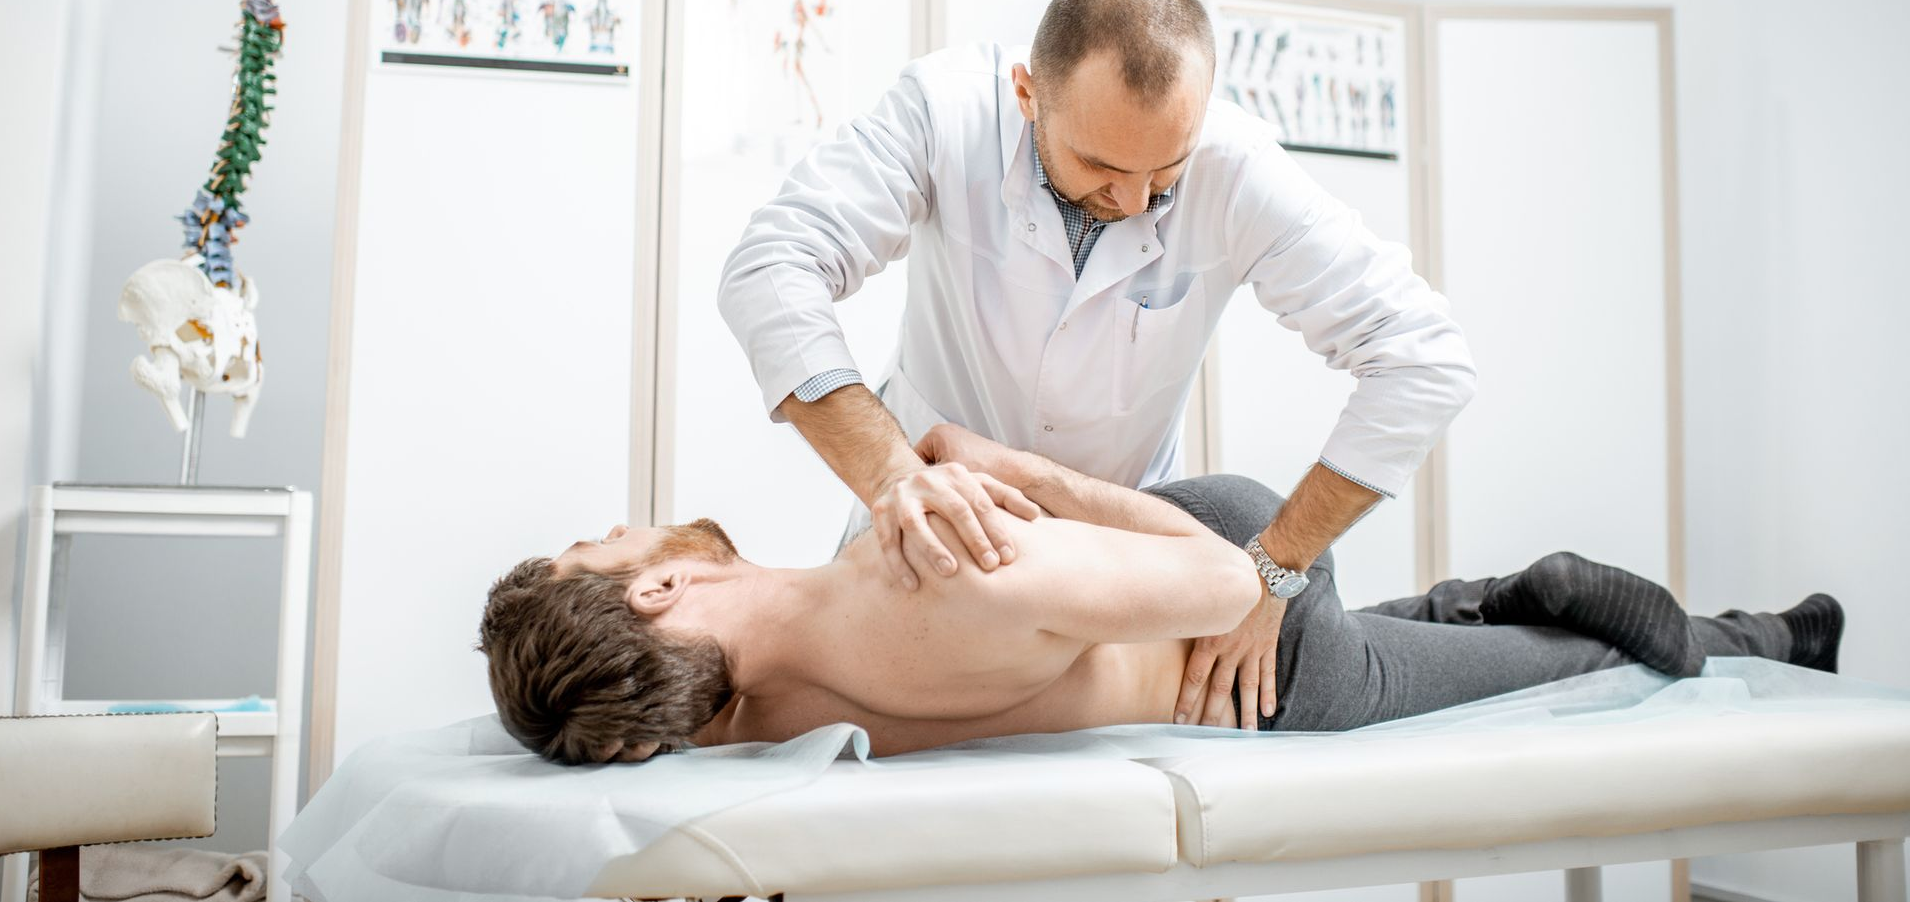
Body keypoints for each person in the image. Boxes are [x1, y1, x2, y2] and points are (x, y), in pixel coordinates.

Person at [717, 0, 1478, 729]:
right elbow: (771, 267)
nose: (1138, 202)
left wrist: (1276, 568)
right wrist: (887, 475)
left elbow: (1425, 358)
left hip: (1121, 560)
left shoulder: (1238, 168)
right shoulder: (947, 111)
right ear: (1027, 95)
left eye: (1167, 173)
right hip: (927, 527)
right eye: (1104, 169)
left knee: (1346, 672)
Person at [477, 426, 1843, 765]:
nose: (618, 522)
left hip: (1205, 600)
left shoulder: (736, 724)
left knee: (1461, 655)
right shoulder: (904, 588)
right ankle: (1538, 598)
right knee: (1569, 661)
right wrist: (1015, 467)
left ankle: (1735, 628)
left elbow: (1217, 578)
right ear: (657, 584)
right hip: (1236, 622)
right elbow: (1210, 578)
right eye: (595, 544)